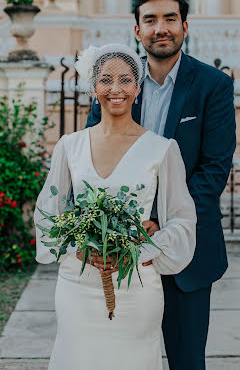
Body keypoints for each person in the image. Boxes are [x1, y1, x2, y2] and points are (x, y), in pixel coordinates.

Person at [86, 0, 236, 370]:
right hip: (120, 249)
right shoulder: (115, 82)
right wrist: (118, 225)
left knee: (187, 361)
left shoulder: (213, 86)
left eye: (170, 18)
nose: (161, 28)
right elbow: (91, 159)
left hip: (187, 249)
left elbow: (214, 168)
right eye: (150, 20)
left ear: (184, 26)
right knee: (125, 359)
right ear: (137, 31)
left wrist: (165, 224)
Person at [34, 43, 197, 370]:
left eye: (125, 80)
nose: (115, 89)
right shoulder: (70, 146)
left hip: (136, 287)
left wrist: (142, 250)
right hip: (78, 285)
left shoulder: (162, 149)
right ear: (94, 88)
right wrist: (78, 247)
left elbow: (182, 220)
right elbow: (48, 213)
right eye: (106, 80)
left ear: (137, 88)